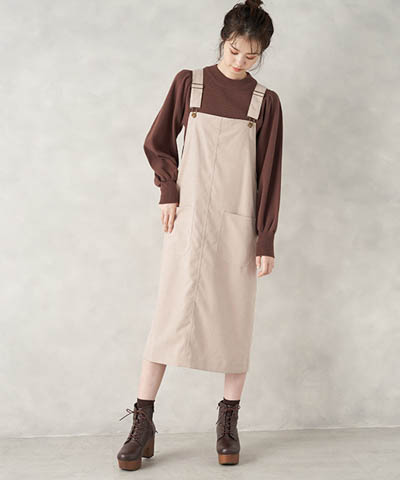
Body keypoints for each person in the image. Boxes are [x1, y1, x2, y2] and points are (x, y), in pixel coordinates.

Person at [117, 0, 283, 470]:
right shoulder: (189, 83)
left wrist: (265, 238)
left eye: (251, 56)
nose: (240, 61)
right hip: (188, 221)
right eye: (234, 50)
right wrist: (168, 191)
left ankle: (228, 423)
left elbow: (269, 175)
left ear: (262, 53)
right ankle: (143, 422)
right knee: (168, 317)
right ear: (223, 40)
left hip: (238, 224)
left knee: (235, 320)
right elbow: (158, 142)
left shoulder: (265, 103)